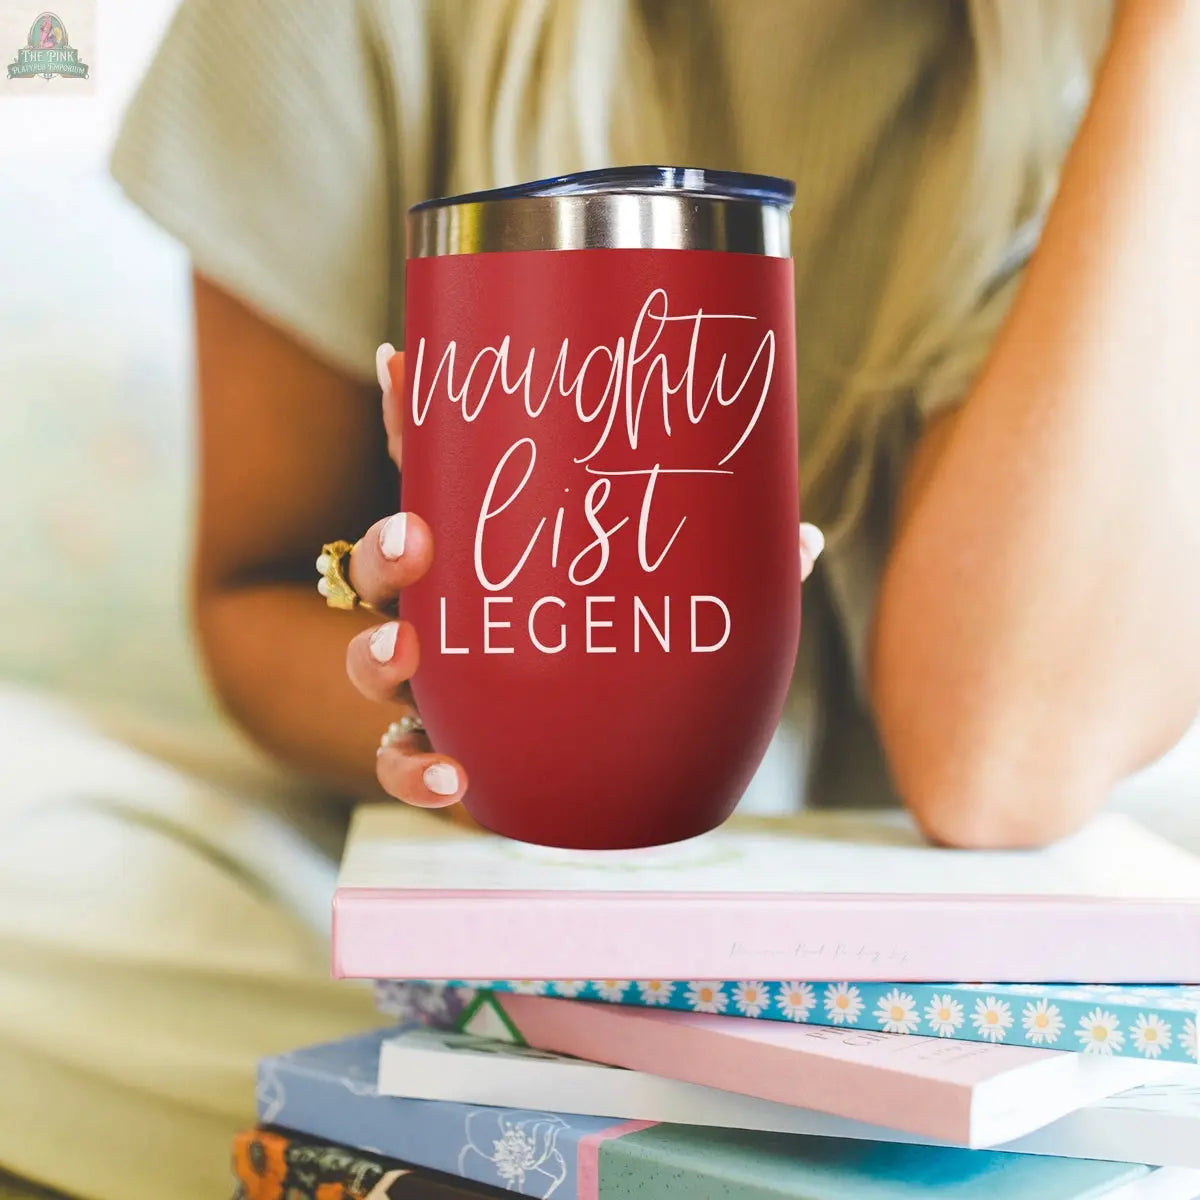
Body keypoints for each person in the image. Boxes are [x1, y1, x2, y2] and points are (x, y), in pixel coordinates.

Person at [4, 1, 1198, 1197]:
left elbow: (1003, 761)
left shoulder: (1080, 66)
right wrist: (487, 735)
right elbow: (252, 590)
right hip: (442, 883)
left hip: (911, 951)